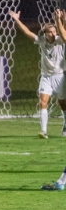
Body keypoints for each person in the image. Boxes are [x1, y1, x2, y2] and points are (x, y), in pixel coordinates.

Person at [11, 10, 66, 139]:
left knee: (63, 104)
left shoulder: (59, 41)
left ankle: (65, 125)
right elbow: (27, 32)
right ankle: (43, 131)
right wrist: (17, 20)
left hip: (59, 76)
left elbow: (64, 34)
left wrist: (61, 20)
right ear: (45, 33)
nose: (53, 33)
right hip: (46, 77)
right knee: (42, 102)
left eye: (54, 31)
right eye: (50, 32)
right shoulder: (41, 41)